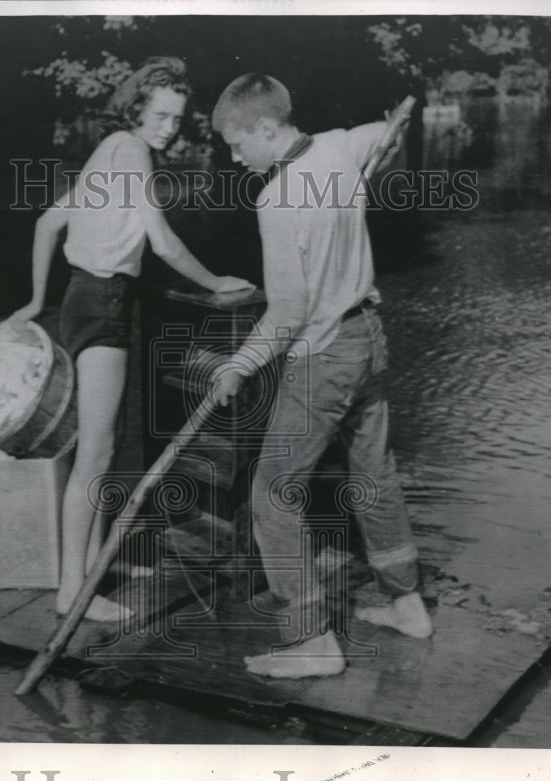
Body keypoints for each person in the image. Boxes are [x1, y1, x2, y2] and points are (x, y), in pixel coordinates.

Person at [12, 57, 253, 619]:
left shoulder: (109, 152)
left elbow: (48, 222)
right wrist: (216, 280)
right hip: (106, 305)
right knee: (95, 454)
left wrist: (35, 300)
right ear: (137, 109)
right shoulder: (133, 152)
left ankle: (90, 571)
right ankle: (74, 593)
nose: (169, 126)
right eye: (161, 114)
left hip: (81, 300)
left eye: (178, 117)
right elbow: (163, 243)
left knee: (99, 447)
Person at [209, 73, 433, 678]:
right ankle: (407, 603)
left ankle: (311, 641)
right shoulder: (340, 145)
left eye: (236, 144)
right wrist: (400, 119)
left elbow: (287, 314)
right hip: (370, 338)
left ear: (266, 128)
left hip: (326, 354)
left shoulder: (276, 201)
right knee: (372, 471)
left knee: (274, 493)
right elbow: (389, 132)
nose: (234, 158)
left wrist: (238, 364)